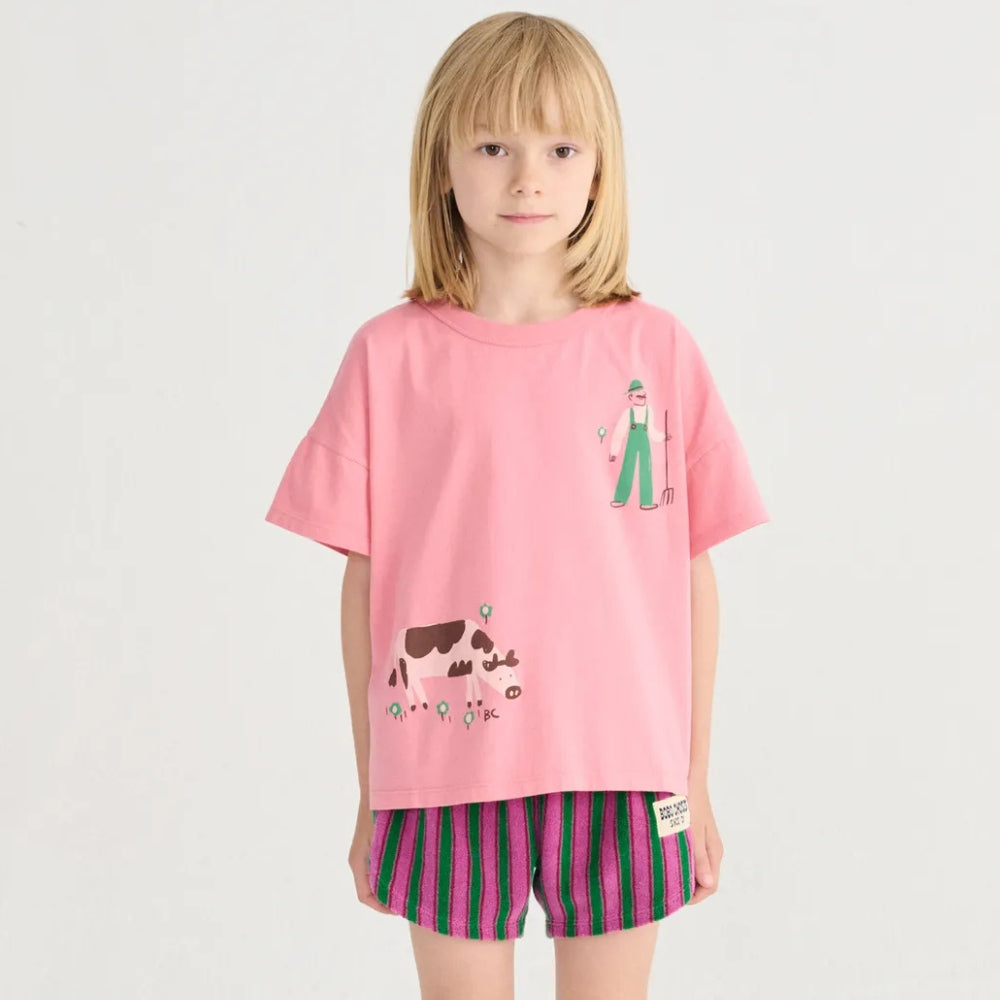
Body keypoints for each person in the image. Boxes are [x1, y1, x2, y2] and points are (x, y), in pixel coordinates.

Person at [264, 11, 770, 999]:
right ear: (442, 165)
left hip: (624, 767)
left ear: (599, 169)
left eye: (560, 148)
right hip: (444, 768)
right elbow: (364, 587)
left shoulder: (656, 350)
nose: (528, 178)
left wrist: (693, 774)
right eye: (493, 147)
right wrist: (375, 789)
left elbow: (689, 575)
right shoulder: (388, 357)